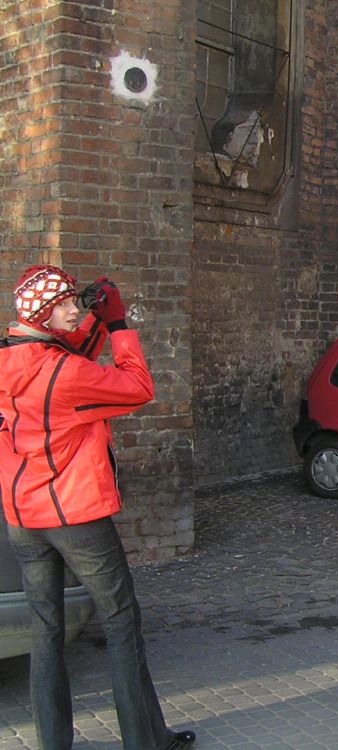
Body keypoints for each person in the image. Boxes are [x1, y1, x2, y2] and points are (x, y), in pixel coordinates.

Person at [0, 265, 196, 750]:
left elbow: (60, 360)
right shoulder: (63, 373)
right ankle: (145, 742)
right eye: (65, 304)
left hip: (24, 516)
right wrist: (120, 325)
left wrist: (93, 320)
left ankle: (55, 744)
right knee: (121, 621)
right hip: (75, 515)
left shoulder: (11, 358)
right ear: (43, 316)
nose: (73, 309)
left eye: (75, 300)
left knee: (46, 631)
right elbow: (136, 387)